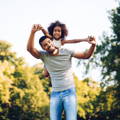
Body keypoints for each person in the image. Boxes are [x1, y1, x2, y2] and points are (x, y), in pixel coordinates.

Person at [27, 24, 96, 120]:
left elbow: (86, 55)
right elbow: (30, 49)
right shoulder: (44, 55)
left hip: (69, 92)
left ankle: (46, 68)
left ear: (52, 41)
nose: (48, 45)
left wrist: (93, 45)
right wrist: (33, 32)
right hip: (55, 93)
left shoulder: (66, 51)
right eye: (45, 45)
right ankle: (46, 68)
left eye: (49, 42)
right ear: (43, 48)